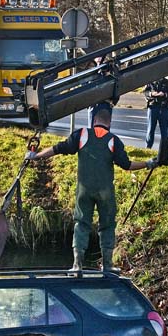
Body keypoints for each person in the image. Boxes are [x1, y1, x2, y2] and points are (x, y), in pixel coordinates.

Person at [26, 103, 158, 272]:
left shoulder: (81, 135)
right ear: (109, 123)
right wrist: (147, 163)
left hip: (84, 190)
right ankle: (108, 267)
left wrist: (35, 156)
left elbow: (58, 148)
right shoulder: (113, 140)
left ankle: (77, 265)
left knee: (81, 223)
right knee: (107, 225)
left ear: (94, 120)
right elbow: (127, 165)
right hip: (105, 192)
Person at [143, 76, 168, 149]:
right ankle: (148, 147)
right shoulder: (150, 82)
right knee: (150, 129)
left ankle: (164, 148)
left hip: (164, 108)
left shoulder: (167, 82)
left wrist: (164, 94)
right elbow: (145, 92)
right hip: (153, 107)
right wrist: (151, 94)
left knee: (164, 130)